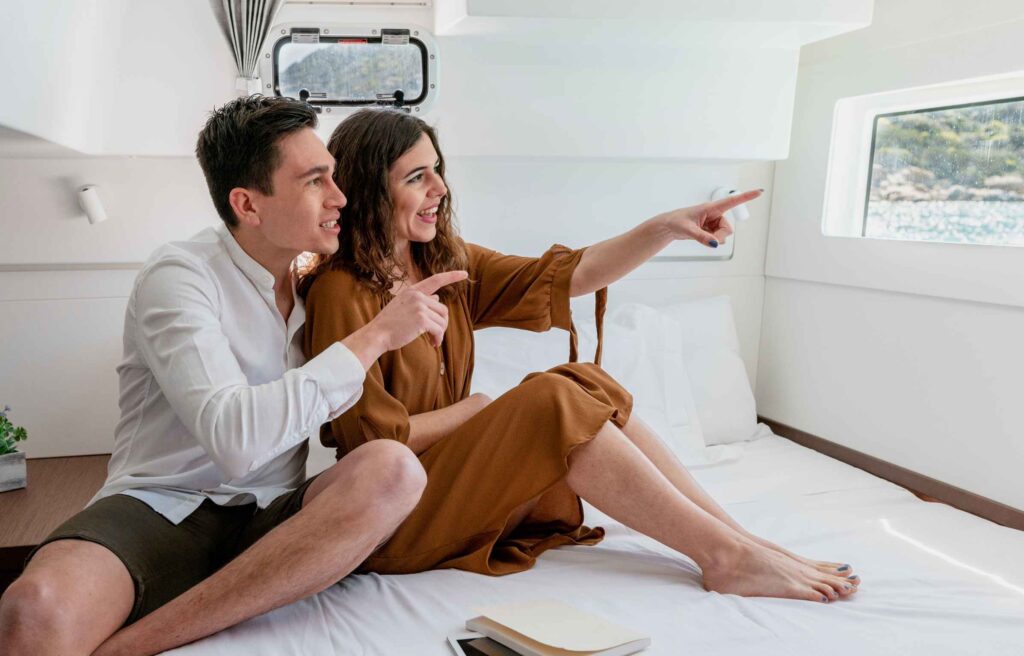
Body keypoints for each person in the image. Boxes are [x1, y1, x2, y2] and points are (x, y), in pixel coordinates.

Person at [300, 108, 862, 603]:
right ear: (373, 190)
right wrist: (475, 410)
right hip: (397, 515)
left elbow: (569, 275)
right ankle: (726, 557)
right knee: (550, 399)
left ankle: (736, 539)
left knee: (582, 380)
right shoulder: (341, 290)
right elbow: (370, 447)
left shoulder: (446, 265)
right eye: (417, 177)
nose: (440, 189)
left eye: (438, 171)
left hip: (455, 483)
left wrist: (662, 229)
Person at [0, 96, 468, 656]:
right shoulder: (179, 276)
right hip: (162, 508)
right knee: (36, 609)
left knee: (393, 471)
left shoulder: (315, 283)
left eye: (335, 179)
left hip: (274, 517)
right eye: (315, 182)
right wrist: (375, 336)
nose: (340, 199)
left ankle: (135, 645)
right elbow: (235, 440)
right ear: (248, 204)